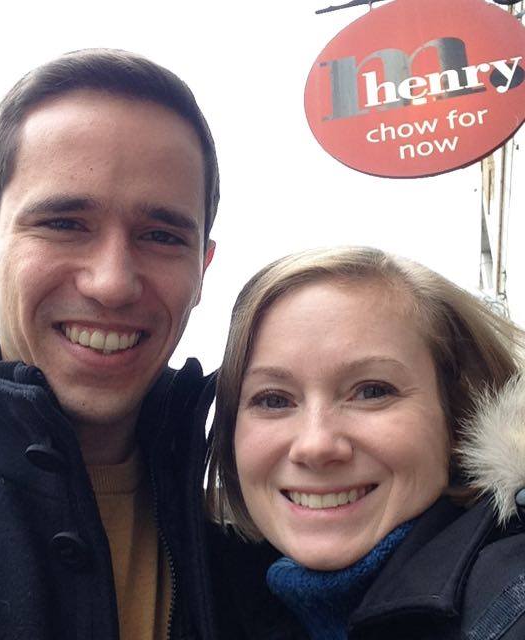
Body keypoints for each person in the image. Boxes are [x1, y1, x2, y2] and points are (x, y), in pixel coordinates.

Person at [0, 49, 219, 640]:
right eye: (64, 224)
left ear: (202, 269)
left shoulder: (256, 529)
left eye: (161, 235)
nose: (112, 283)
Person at [207, 246, 525, 640]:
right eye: (273, 400)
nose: (315, 445)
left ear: (459, 417)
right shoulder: (218, 602)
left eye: (372, 391)